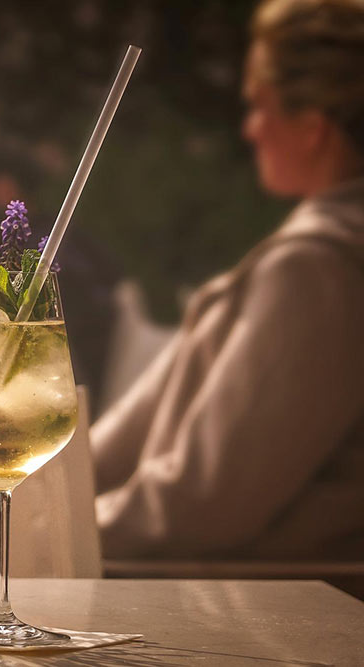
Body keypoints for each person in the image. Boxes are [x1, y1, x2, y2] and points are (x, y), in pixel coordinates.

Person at [92, 0, 364, 561]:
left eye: (260, 106)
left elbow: (198, 505)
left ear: (313, 127)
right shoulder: (315, 256)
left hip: (264, 618)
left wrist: (40, 536)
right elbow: (110, 453)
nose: (250, 128)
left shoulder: (317, 268)